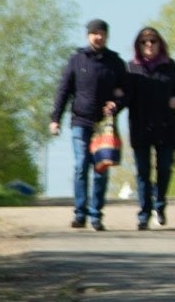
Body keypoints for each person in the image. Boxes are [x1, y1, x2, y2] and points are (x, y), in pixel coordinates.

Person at [49, 18, 128, 231]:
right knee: (81, 165)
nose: (99, 37)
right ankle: (80, 213)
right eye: (95, 33)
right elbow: (63, 90)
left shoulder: (115, 62)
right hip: (80, 122)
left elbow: (125, 92)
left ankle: (96, 215)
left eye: (102, 33)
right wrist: (55, 118)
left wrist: (116, 104)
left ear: (107, 36)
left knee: (101, 167)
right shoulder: (76, 60)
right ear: (88, 36)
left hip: (105, 125)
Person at [124, 26, 175, 230]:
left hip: (165, 126)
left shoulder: (169, 66)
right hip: (140, 126)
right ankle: (144, 213)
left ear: (160, 44)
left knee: (164, 168)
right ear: (138, 45)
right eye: (144, 42)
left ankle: (159, 205)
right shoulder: (131, 68)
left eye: (153, 41)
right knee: (142, 172)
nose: (149, 45)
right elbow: (124, 95)